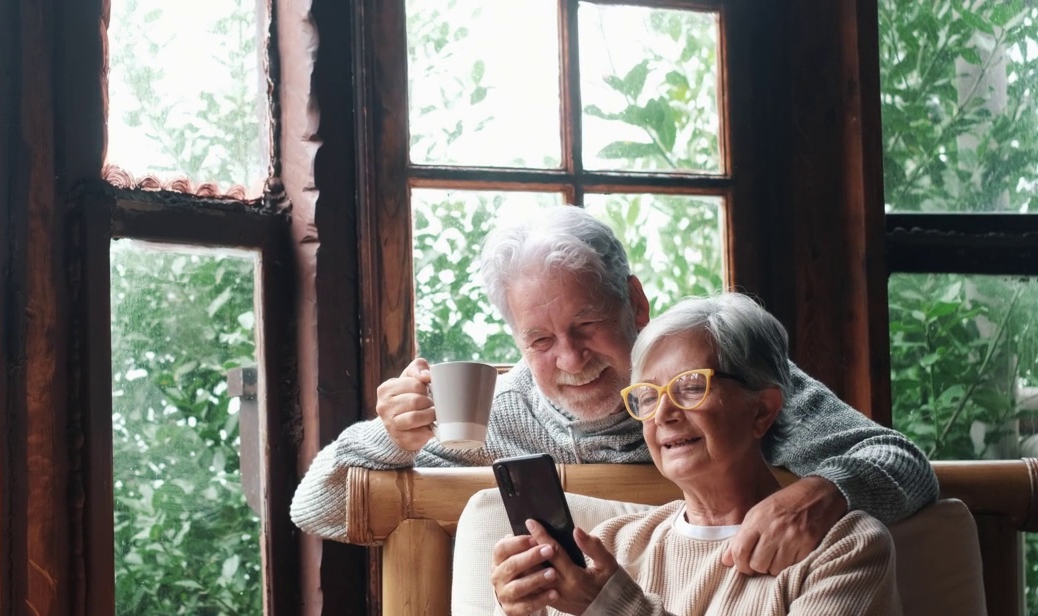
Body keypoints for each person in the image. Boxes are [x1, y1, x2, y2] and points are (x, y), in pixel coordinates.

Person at [290, 205, 937, 574]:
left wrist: (826, 493)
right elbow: (316, 509)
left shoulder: (720, 376)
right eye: (540, 341)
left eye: (587, 325)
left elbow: (905, 462)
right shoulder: (494, 413)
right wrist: (389, 438)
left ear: (635, 302)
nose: (570, 359)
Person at [490, 292, 929, 616]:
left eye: (689, 387)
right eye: (647, 397)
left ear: (762, 411)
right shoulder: (611, 550)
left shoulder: (846, 544)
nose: (663, 414)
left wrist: (619, 609)